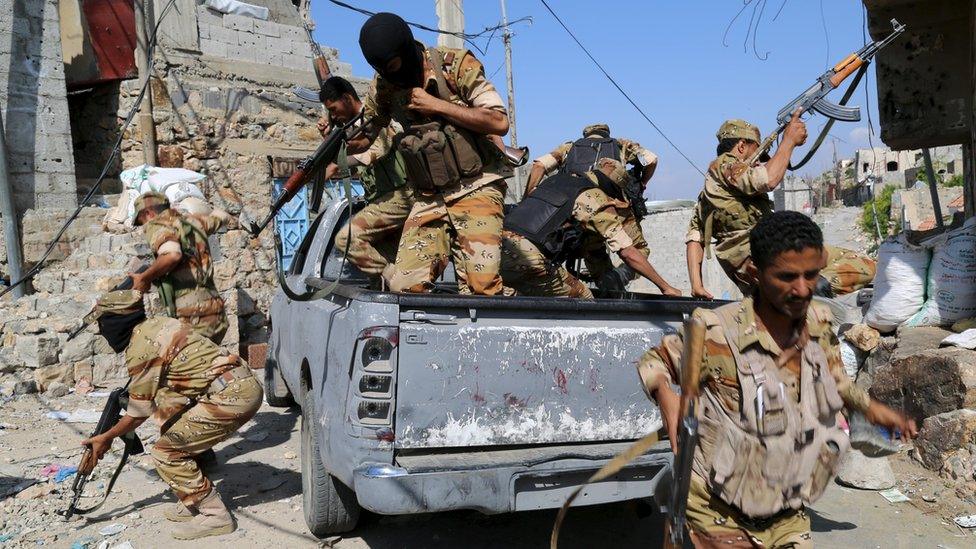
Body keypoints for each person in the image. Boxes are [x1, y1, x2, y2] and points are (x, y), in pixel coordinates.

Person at [637, 211, 916, 548]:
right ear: (755, 271)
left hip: (786, 510)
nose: (802, 290)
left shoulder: (817, 323)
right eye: (786, 277)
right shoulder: (716, 330)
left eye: (810, 275)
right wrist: (667, 398)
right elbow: (656, 362)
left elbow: (835, 380)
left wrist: (871, 409)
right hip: (715, 514)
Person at [347, 12, 510, 295]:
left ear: (408, 50)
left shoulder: (455, 64)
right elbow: (368, 132)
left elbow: (499, 122)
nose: (394, 76)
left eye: (396, 66)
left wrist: (437, 105)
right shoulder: (384, 85)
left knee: (482, 289)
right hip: (429, 197)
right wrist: (340, 143)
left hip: (477, 186)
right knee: (404, 286)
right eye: (385, 70)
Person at [78, 289, 262, 540]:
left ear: (115, 322)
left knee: (166, 453)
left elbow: (138, 412)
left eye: (102, 323)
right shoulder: (159, 324)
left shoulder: (141, 347)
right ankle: (193, 494)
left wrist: (106, 437)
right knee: (169, 414)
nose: (101, 331)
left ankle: (215, 515)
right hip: (238, 384)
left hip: (232, 396)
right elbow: (160, 393)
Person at [686, 115, 876, 299]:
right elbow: (768, 180)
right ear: (742, 146)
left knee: (855, 263)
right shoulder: (725, 165)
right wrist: (788, 141)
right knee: (859, 267)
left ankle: (810, 291)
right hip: (768, 263)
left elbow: (695, 236)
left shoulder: (710, 194)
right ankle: (812, 291)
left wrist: (696, 284)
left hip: (770, 260)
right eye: (756, 153)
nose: (759, 162)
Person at [501, 158, 681, 298]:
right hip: (528, 258)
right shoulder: (593, 197)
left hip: (497, 251)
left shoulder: (556, 180)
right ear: (612, 189)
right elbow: (628, 252)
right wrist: (666, 287)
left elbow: (595, 255)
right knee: (584, 300)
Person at [316, 76, 413, 288]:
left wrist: (332, 165)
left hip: (401, 197)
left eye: (333, 109)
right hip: (382, 204)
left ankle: (398, 282)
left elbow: (370, 153)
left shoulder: (374, 119)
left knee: (347, 239)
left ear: (347, 98)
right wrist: (328, 140)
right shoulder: (351, 129)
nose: (333, 115)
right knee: (376, 269)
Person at [130, 192, 232, 344]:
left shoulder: (157, 225)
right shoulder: (192, 222)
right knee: (210, 363)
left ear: (148, 213)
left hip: (191, 318)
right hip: (215, 313)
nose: (144, 227)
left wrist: (144, 278)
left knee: (193, 365)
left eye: (142, 221)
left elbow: (172, 254)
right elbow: (222, 216)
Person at [524, 123, 658, 201]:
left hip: (575, 205)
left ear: (586, 135)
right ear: (607, 135)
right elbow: (652, 160)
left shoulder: (569, 147)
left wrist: (529, 196)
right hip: (612, 205)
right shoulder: (620, 145)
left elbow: (539, 165)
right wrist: (643, 183)